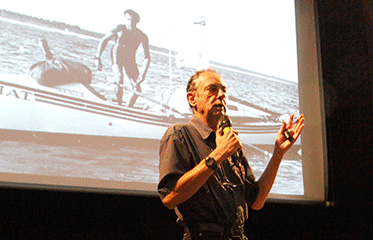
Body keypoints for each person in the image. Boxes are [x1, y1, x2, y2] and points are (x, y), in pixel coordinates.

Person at [158, 69, 305, 240]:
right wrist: (219, 154)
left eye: (224, 90)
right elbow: (169, 197)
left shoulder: (230, 143)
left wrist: (278, 153)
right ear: (192, 99)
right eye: (212, 89)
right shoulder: (180, 134)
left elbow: (256, 201)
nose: (221, 95)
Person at [95, 9, 151, 107]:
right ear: (125, 19)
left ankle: (127, 108)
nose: (130, 23)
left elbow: (147, 57)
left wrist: (143, 73)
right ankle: (119, 104)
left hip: (129, 58)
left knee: (137, 89)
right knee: (119, 78)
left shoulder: (142, 36)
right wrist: (97, 58)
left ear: (136, 22)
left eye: (132, 21)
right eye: (128, 20)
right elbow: (104, 40)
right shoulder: (119, 28)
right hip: (117, 55)